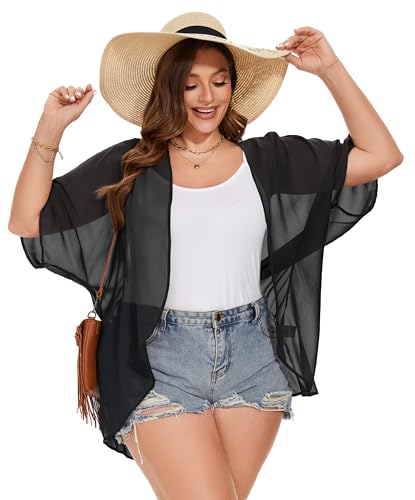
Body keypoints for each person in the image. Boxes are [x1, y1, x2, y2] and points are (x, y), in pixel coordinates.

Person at [8, 11, 402, 500]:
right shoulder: (131, 165)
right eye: (190, 84)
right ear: (168, 89)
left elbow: (382, 156)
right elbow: (27, 221)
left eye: (219, 81)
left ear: (233, 88)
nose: (206, 96)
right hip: (158, 361)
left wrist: (330, 70)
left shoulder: (266, 162)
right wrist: (51, 127)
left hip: (252, 357)